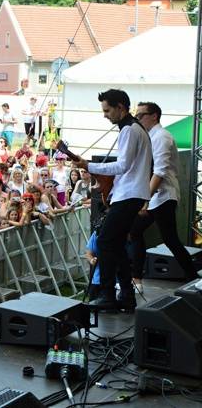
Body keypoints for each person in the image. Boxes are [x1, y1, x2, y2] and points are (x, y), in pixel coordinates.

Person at [72, 89, 152, 311]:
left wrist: (89, 165)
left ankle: (108, 293)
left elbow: (122, 165)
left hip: (130, 195)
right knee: (115, 243)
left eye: (107, 110)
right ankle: (126, 295)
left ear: (120, 107)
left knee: (106, 241)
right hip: (132, 194)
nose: (105, 115)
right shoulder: (136, 129)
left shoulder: (129, 130)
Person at [128, 101, 197, 288]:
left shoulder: (162, 137)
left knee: (170, 239)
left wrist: (144, 199)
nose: (137, 118)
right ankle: (137, 278)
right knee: (136, 231)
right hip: (155, 196)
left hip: (164, 196)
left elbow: (159, 172)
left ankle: (193, 278)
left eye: (141, 115)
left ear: (154, 116)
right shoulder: (150, 137)